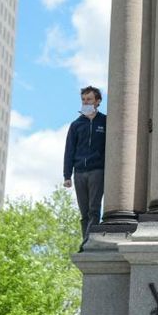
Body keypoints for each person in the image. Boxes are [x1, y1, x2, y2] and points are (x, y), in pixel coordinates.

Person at [63, 86, 106, 246]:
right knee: (84, 212)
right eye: (83, 99)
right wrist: (67, 175)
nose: (85, 102)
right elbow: (69, 150)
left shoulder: (105, 121)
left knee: (94, 209)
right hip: (79, 172)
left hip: (97, 170)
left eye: (89, 99)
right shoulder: (76, 125)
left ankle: (90, 242)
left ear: (97, 101)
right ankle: (86, 241)